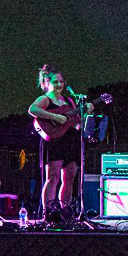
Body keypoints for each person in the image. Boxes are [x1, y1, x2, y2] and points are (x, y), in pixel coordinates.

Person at [28, 65, 92, 211]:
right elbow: (33, 110)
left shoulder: (69, 101)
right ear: (46, 83)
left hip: (71, 140)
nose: (59, 85)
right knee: (53, 177)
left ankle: (65, 210)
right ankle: (49, 211)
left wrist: (86, 113)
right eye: (56, 82)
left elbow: (76, 123)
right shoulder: (44, 99)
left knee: (69, 177)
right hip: (55, 141)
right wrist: (55, 116)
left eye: (61, 82)